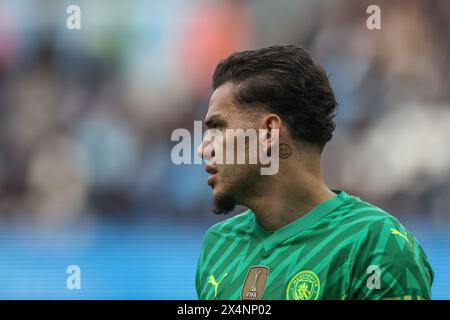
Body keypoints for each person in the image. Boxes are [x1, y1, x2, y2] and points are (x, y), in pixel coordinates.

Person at [195, 45, 433, 300]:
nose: (202, 149)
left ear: (267, 133)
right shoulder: (218, 245)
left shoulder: (376, 245)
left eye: (218, 128)